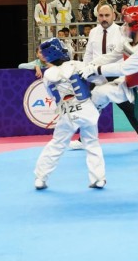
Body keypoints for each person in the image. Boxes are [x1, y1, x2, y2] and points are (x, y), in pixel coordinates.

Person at [80, 6, 138, 190]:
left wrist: (96, 70)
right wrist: (89, 65)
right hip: (128, 86)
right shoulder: (129, 41)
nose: (124, 26)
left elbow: (123, 68)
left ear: (137, 26)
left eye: (128, 24)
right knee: (100, 92)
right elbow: (110, 57)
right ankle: (92, 115)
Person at [33, 37, 106, 190]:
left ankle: (40, 178)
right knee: (92, 143)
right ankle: (98, 178)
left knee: (57, 144)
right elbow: (97, 79)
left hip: (67, 113)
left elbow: (53, 96)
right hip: (86, 109)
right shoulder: (78, 65)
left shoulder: (48, 75)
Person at [72, 4, 138, 150]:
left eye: (107, 15)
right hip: (95, 74)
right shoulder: (93, 32)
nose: (104, 19)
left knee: (128, 109)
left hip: (115, 74)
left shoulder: (121, 31)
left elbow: (119, 55)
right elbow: (89, 53)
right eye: (101, 16)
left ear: (113, 15)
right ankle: (84, 139)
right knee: (91, 108)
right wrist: (86, 69)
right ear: (97, 16)